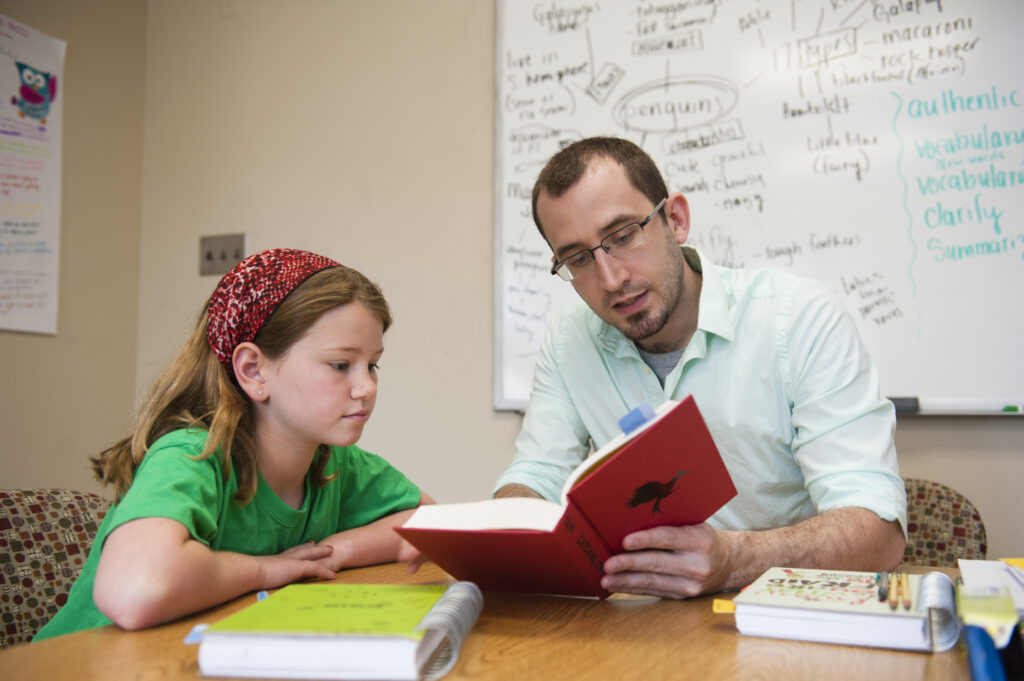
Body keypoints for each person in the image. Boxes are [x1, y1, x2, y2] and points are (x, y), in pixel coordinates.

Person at [493, 137, 907, 600]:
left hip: (784, 617)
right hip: (642, 628)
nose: (611, 279)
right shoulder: (570, 339)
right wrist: (494, 533)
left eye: (625, 235)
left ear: (676, 219)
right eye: (578, 258)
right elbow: (537, 474)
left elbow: (878, 531)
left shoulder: (799, 319)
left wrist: (734, 559)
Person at [35, 248, 432, 640]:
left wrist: (335, 551)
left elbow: (427, 520)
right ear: (253, 370)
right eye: (341, 365)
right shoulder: (193, 454)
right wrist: (265, 569)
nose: (366, 387)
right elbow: (136, 590)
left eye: (373, 365)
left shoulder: (333, 462)